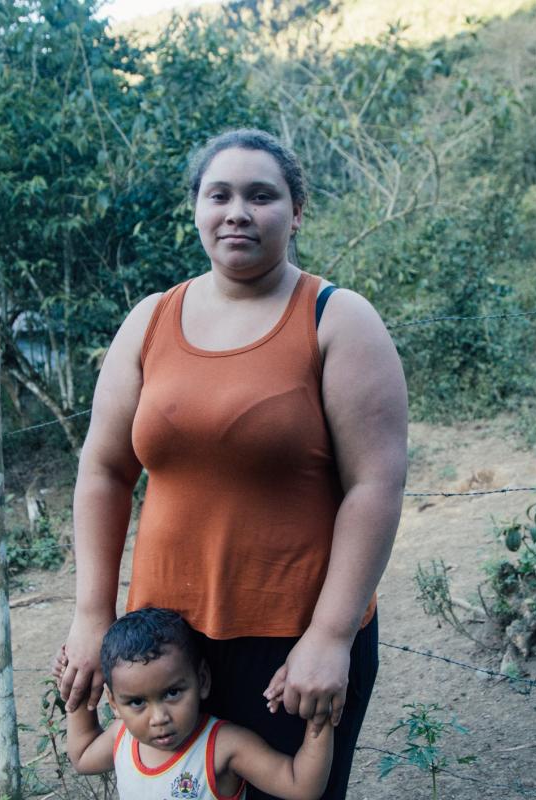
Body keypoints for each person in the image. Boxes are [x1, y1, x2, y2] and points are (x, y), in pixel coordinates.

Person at [54, 128, 408, 799]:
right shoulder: (150, 321)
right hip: (165, 650)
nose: (237, 210)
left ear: (295, 211)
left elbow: (375, 486)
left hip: (292, 646)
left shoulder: (338, 320)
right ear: (196, 209)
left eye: (261, 195)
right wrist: (91, 613)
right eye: (219, 194)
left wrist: (331, 635)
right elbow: (103, 471)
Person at [67, 607, 334, 800]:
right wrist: (75, 678)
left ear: (202, 680)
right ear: (113, 702)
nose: (159, 717)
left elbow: (301, 786)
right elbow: (82, 757)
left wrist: (319, 714)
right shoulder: (122, 738)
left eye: (172, 693)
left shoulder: (222, 745)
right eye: (137, 702)